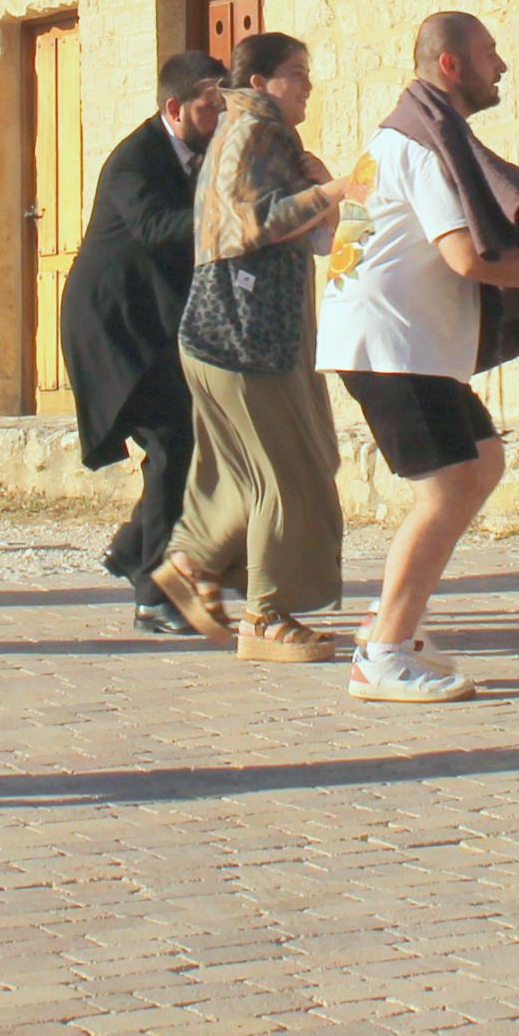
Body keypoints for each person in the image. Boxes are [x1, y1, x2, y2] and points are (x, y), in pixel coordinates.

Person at [319, 13, 519, 705]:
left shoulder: (399, 134)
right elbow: (467, 257)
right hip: (391, 345)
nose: (501, 65)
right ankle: (382, 652)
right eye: (489, 54)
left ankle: (393, 619)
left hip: (398, 341)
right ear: (451, 66)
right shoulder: (420, 148)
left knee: (480, 459)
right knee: (450, 485)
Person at [147, 33, 353, 666]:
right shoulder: (254, 133)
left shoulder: (259, 136)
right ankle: (264, 616)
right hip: (244, 334)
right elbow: (249, 224)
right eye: (296, 74)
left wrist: (321, 191)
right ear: (260, 83)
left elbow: (300, 237)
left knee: (257, 471)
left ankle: (190, 569)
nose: (308, 86)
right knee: (284, 472)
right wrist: (334, 190)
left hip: (244, 335)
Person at [60, 50, 229, 636]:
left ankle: (136, 549)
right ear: (175, 108)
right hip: (111, 326)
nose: (219, 119)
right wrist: (232, 210)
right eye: (210, 109)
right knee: (172, 440)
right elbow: (158, 228)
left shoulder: (206, 153)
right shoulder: (135, 161)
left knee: (185, 439)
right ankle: (154, 592)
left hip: (154, 320)